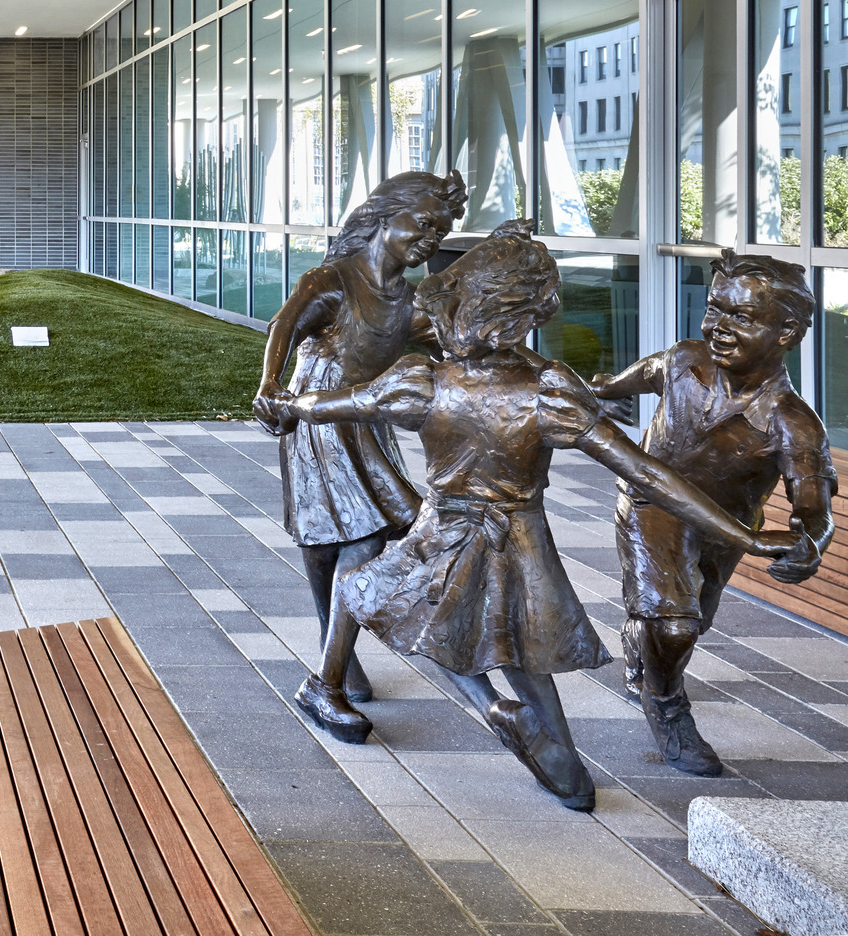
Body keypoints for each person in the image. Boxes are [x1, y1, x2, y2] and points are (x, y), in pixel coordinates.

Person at [260, 222, 814, 811]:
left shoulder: (423, 383)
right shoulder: (550, 392)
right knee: (519, 652)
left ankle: (489, 707)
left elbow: (337, 403)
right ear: (528, 317)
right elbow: (649, 475)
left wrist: (286, 403)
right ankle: (568, 767)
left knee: (380, 601)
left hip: (444, 532)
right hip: (523, 542)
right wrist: (744, 537)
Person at [590, 251, 836, 776]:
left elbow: (813, 512)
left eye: (741, 317)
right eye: (714, 309)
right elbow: (650, 372)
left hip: (724, 530)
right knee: (675, 624)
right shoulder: (687, 360)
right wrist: (602, 389)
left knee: (691, 619)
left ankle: (646, 642)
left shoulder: (794, 426)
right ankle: (668, 706)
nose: (718, 328)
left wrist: (811, 544)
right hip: (649, 504)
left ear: (787, 331)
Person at [254, 170, 467, 709]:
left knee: (362, 531)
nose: (429, 240)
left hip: (365, 418)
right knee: (332, 534)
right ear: (383, 216)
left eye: (438, 234)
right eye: (423, 224)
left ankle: (333, 658)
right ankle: (336, 658)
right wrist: (268, 386)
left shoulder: (408, 299)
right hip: (318, 414)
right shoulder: (332, 279)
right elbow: (284, 325)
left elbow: (449, 345)